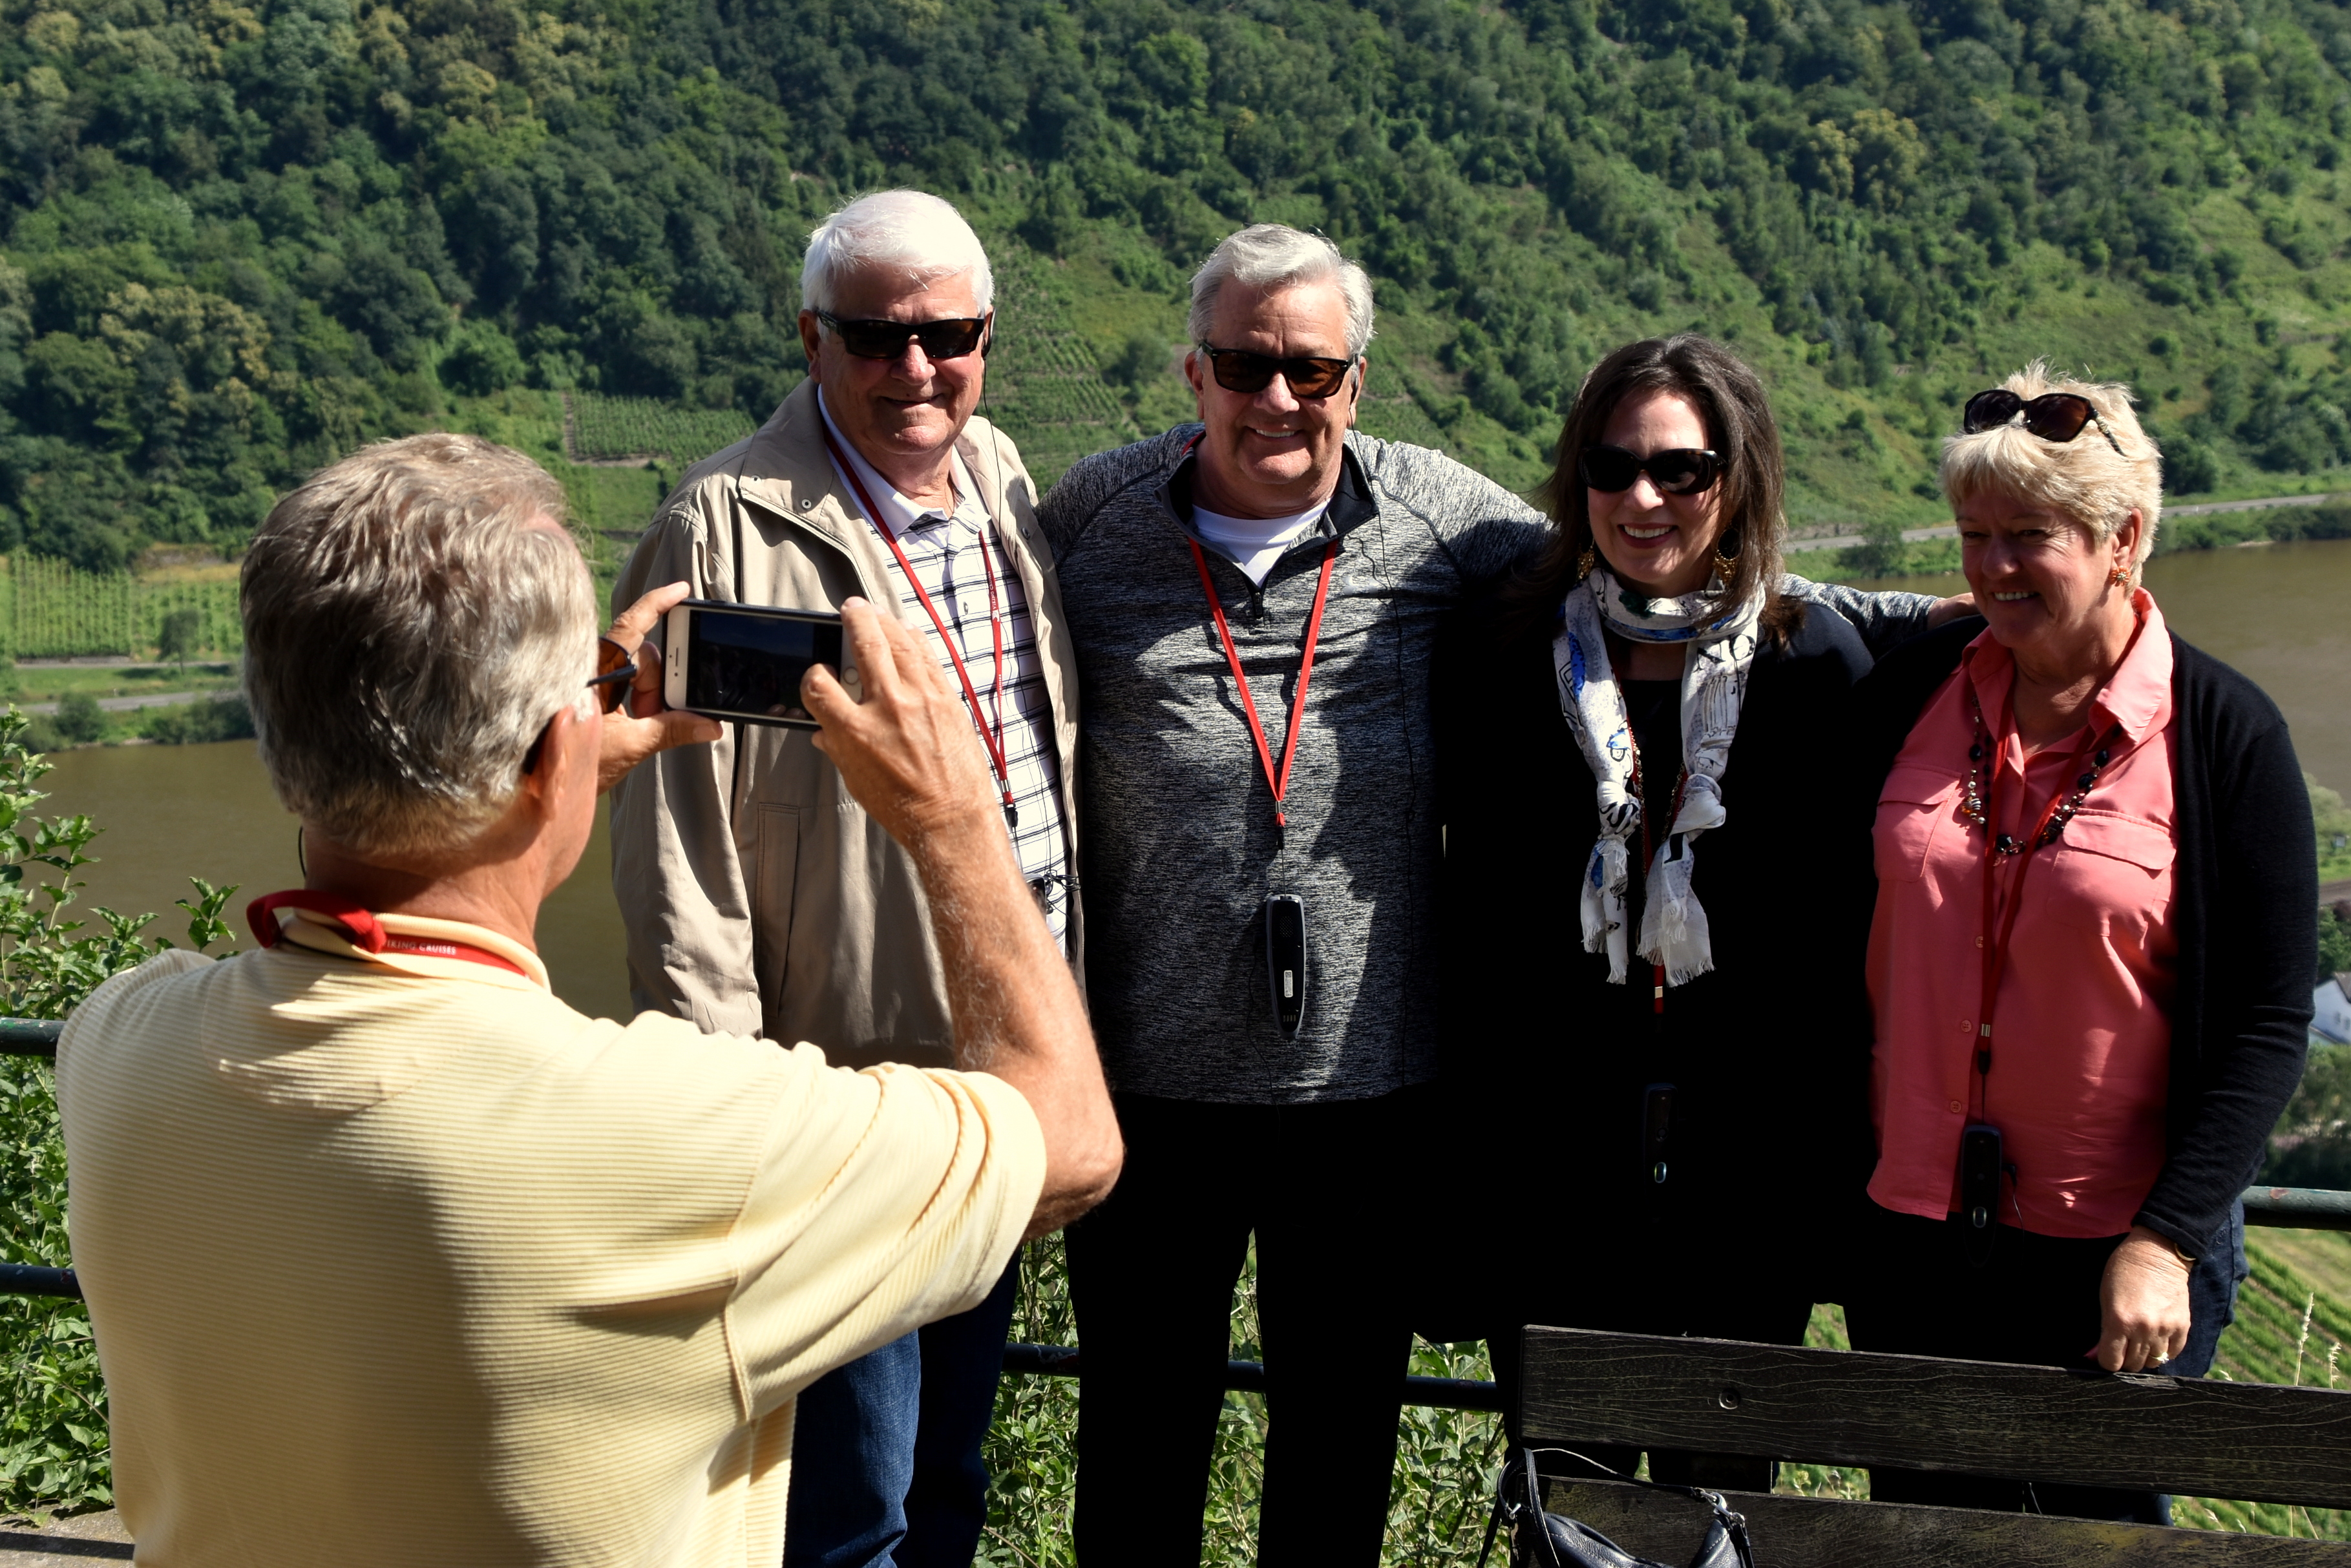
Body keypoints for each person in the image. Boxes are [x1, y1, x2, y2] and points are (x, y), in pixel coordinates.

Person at [1035, 227, 1944, 1565]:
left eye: (1310, 368)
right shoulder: (1088, 516)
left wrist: (1982, 604)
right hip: (1148, 1086)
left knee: (1338, 1454)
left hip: (1370, 1098)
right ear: (1192, 371)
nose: (1276, 396)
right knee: (1135, 1444)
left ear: (1356, 378)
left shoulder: (1436, 516)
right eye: (1242, 364)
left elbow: (1669, 573)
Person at [55, 433, 1119, 1567]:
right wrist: (953, 816)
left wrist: (542, 770)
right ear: (554, 751)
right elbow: (1068, 1145)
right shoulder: (688, 1138)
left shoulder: (119, 1043)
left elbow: (353, 844)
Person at [610, 191, 1079, 1568]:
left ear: (987, 339)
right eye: (874, 336)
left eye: (947, 336)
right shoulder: (723, 526)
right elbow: (680, 852)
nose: (913, 368)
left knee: (948, 1475)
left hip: (996, 1077)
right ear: (811, 338)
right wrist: (731, 1116)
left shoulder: (1000, 482)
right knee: (848, 1505)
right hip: (837, 1108)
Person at [1433, 333, 1943, 1490]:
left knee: (1719, 1496)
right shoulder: (1505, 653)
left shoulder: (1815, 669)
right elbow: (1476, 924)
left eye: (1681, 469)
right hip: (1548, 1164)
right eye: (1610, 468)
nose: (1642, 499)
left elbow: (1838, 940)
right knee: (1571, 1495)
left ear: (1737, 477)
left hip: (1749, 1171)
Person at [1843, 366, 2314, 1520]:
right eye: (1974, 536)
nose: (1993, 566)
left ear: (2123, 540)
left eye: (2030, 536)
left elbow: (2265, 1021)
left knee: (2096, 1545)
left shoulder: (2224, 735)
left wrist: (2166, 1244)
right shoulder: (1907, 695)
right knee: (1923, 1538)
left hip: (2114, 1257)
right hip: (1912, 1241)